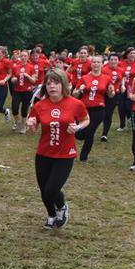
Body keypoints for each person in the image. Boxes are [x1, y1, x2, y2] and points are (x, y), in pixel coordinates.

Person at [26, 69, 89, 228]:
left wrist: (78, 127)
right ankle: (51, 215)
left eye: (56, 83)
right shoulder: (39, 106)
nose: (52, 86)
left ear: (63, 85)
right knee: (43, 190)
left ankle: (61, 207)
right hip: (44, 153)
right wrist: (31, 125)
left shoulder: (75, 103)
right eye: (48, 84)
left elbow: (86, 119)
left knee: (51, 189)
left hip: (65, 154)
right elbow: (32, 130)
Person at [72, 54, 114, 162]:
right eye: (94, 62)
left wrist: (110, 92)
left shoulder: (106, 78)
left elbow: (111, 95)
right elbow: (74, 94)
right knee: (79, 134)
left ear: (102, 64)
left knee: (90, 132)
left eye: (98, 62)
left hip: (98, 109)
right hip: (84, 108)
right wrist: (79, 90)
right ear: (91, 64)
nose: (96, 64)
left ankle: (83, 157)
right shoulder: (84, 78)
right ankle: (81, 141)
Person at [10, 49, 37, 133]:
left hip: (27, 91)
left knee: (24, 110)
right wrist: (13, 79)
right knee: (14, 108)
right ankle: (17, 122)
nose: (23, 57)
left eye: (25, 56)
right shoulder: (15, 67)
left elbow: (34, 81)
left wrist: (28, 76)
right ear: (19, 57)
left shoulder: (31, 67)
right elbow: (12, 78)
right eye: (22, 56)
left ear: (28, 57)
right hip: (17, 90)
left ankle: (24, 126)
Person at [100, 53, 123, 141]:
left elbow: (122, 78)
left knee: (109, 113)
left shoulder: (121, 70)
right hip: (103, 93)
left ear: (118, 61)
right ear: (108, 60)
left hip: (115, 94)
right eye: (111, 59)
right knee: (101, 112)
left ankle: (104, 134)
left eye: (115, 59)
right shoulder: (103, 69)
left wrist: (122, 85)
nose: (113, 61)